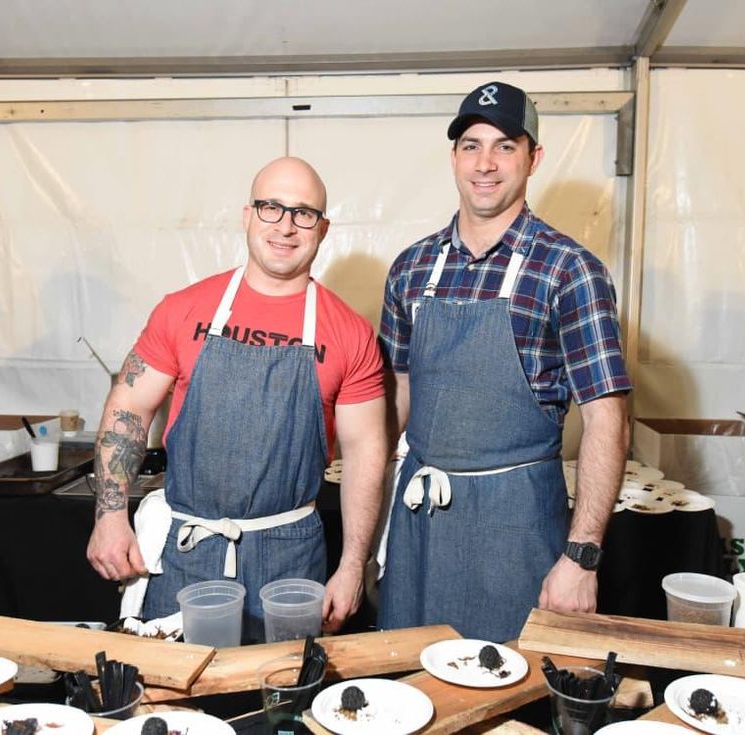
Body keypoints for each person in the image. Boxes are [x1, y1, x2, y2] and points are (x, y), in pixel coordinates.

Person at [86, 157, 387, 639]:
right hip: (186, 555)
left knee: (281, 703)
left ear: (323, 228)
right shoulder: (183, 310)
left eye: (303, 213)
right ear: (248, 215)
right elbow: (130, 408)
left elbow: (366, 454)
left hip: (291, 560)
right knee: (175, 706)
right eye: (272, 208)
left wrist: (353, 565)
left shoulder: (350, 333)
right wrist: (109, 517)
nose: (286, 226)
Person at [377, 81, 632, 642]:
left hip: (515, 526)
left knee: (509, 698)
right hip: (419, 524)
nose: (485, 163)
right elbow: (396, 396)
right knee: (403, 688)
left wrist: (582, 557)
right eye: (471, 145)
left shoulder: (569, 271)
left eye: (505, 146)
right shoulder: (411, 268)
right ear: (453, 157)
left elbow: (607, 419)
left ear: (533, 157)